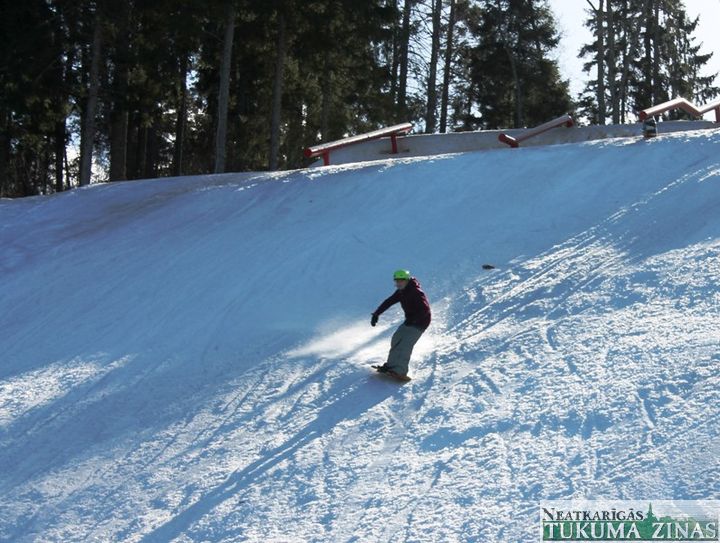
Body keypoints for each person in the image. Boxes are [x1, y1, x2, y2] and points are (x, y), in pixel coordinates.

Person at [371, 269, 431, 379]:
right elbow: (389, 301)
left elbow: (425, 310)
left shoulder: (416, 292)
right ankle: (391, 366)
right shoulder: (401, 291)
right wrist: (376, 314)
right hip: (410, 320)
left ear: (407, 280)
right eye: (397, 281)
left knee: (405, 344)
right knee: (396, 339)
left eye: (401, 281)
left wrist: (414, 320)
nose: (398, 283)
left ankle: (400, 371)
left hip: (421, 322)